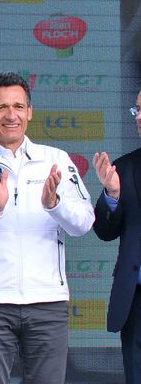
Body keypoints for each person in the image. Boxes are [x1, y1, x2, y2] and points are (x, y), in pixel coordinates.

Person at [0, 72, 95, 384]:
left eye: (19, 107)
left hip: (47, 302)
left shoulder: (56, 160)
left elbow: (84, 223)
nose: (12, 115)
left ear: (30, 112)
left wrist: (55, 203)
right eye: (1, 107)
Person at [92, 88, 141, 384]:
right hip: (136, 301)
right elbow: (104, 231)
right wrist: (112, 194)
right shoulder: (123, 169)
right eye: (138, 110)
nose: (140, 117)